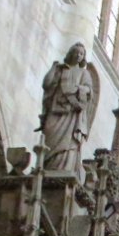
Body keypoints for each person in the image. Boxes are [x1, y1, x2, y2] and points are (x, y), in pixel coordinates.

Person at [38, 42, 94, 172]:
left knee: (69, 143)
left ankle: (64, 169)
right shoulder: (60, 69)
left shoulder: (84, 73)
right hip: (56, 111)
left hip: (72, 115)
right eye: (76, 52)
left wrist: (78, 89)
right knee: (49, 137)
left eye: (81, 54)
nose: (78, 55)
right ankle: (46, 166)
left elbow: (89, 90)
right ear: (70, 53)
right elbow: (46, 85)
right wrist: (53, 68)